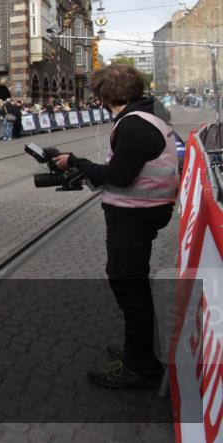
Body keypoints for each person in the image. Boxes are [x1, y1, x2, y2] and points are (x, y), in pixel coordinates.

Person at [54, 65, 179, 389]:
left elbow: (120, 176)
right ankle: (137, 348)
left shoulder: (134, 125)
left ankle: (139, 365)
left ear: (103, 95)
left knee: (129, 288)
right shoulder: (149, 116)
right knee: (131, 285)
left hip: (134, 216)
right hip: (144, 212)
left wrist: (76, 163)